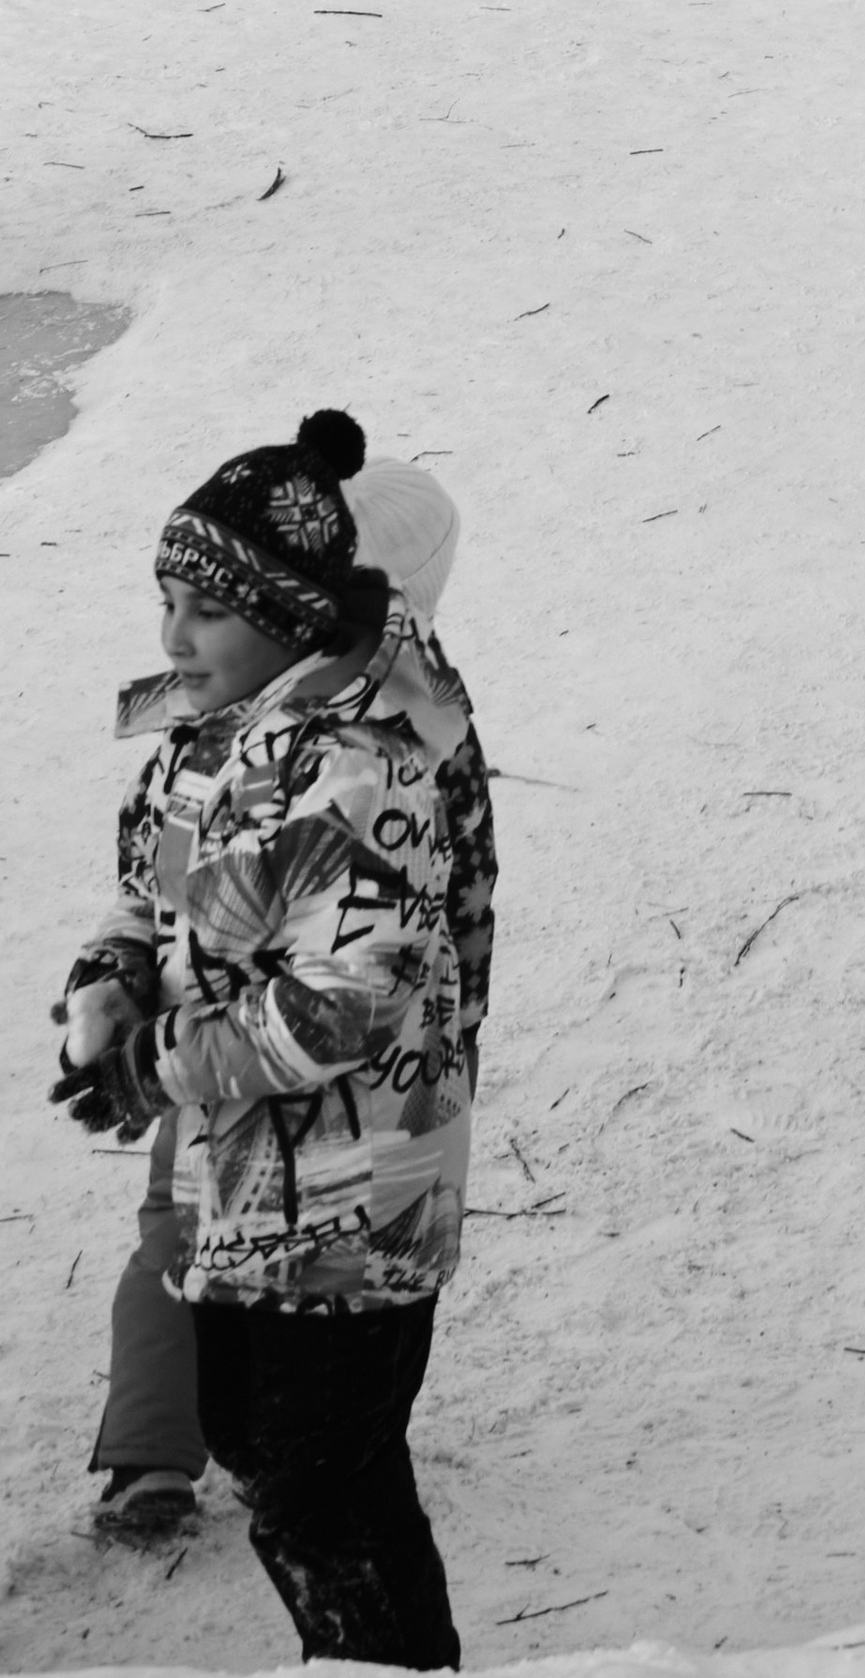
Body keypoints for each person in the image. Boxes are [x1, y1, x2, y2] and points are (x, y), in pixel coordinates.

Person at [51, 412, 474, 1666]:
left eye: (204, 611)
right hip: (248, 1176)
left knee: (319, 1496)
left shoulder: (360, 767)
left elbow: (340, 1005)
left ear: (287, 618)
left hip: (350, 1192)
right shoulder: (212, 732)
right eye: (164, 598)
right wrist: (116, 970)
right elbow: (157, 879)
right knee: (268, 1446)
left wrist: (157, 1064)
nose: (172, 637)